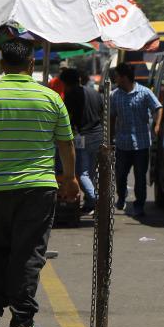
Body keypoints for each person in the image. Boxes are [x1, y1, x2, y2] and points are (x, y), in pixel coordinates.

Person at [0, 39, 80, 327]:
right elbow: (66, 143)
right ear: (31, 65)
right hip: (37, 188)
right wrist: (70, 178)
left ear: (1, 64)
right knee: (28, 251)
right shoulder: (51, 98)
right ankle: (22, 318)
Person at [110, 62, 161, 218]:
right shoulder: (115, 95)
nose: (115, 79)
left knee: (140, 177)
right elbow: (112, 117)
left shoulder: (144, 92)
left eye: (117, 76)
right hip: (122, 143)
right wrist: (110, 136)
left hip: (141, 144)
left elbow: (158, 107)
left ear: (124, 77)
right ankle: (121, 195)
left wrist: (157, 125)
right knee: (120, 174)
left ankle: (139, 205)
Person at [60, 68, 104, 216]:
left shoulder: (71, 94)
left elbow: (67, 117)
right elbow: (102, 111)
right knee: (90, 172)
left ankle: (96, 200)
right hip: (98, 135)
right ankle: (90, 203)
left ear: (65, 83)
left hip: (83, 136)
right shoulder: (94, 92)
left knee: (82, 173)